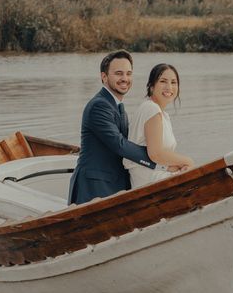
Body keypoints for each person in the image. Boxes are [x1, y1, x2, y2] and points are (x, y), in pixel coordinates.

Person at [69, 50, 167, 205]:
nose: (125, 79)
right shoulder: (99, 105)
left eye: (129, 73)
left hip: (114, 185)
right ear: (104, 77)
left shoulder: (118, 106)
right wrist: (159, 159)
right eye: (119, 73)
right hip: (95, 188)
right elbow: (120, 145)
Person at [124, 63, 194, 188]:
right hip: (149, 181)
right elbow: (156, 154)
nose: (169, 87)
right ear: (151, 86)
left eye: (173, 82)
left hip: (157, 173)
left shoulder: (162, 114)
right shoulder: (151, 109)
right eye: (163, 81)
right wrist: (187, 161)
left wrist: (174, 166)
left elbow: (159, 156)